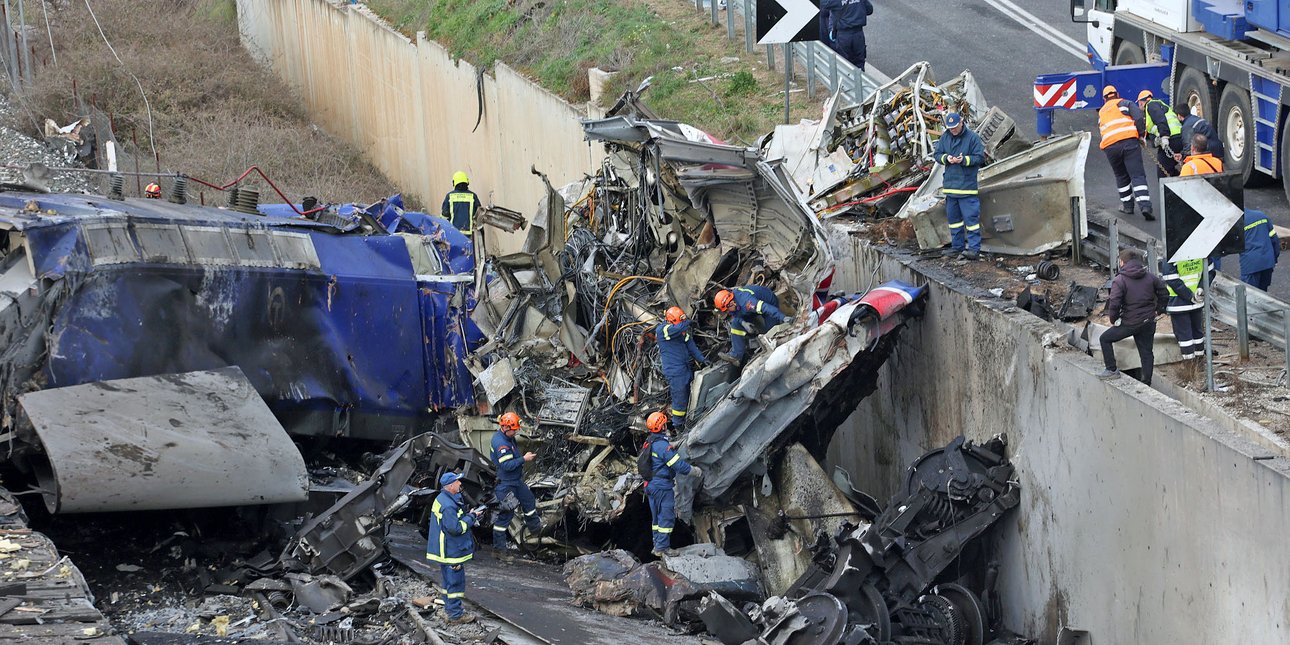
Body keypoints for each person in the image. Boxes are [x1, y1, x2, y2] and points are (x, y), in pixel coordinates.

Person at [1099, 249, 1168, 383]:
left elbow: (1114, 303)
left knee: (1105, 339)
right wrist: (1158, 311)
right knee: (1146, 352)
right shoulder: (1150, 277)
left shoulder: (1120, 280)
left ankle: (1111, 369)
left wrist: (1113, 319)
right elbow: (1164, 293)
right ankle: (1146, 382)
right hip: (1148, 321)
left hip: (1130, 322)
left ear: (1122, 262)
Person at [426, 471, 482, 625]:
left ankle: (450, 610)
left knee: (448, 582)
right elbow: (455, 528)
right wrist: (472, 517)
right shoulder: (448, 505)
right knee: (455, 583)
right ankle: (455, 615)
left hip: (447, 549)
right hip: (451, 551)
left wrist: (467, 513)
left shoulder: (444, 498)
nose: (460, 484)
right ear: (450, 486)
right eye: (457, 482)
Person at [643, 411, 700, 558]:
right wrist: (695, 471)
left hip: (650, 486)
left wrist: (671, 445)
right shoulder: (662, 446)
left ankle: (657, 545)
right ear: (661, 426)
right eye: (664, 424)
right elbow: (678, 466)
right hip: (662, 486)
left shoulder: (649, 442)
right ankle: (663, 548)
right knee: (666, 517)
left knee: (656, 518)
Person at [932, 112, 986, 260]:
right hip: (950, 187)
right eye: (950, 128)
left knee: (971, 221)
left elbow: (980, 157)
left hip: (967, 188)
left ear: (961, 122)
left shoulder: (972, 138)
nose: (953, 130)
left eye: (955, 127)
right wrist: (946, 158)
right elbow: (937, 154)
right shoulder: (946, 137)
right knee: (954, 221)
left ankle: (974, 250)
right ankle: (957, 247)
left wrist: (964, 160)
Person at [1099, 86, 1154, 221]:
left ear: (1104, 99)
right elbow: (1138, 119)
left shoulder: (1101, 112)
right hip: (1129, 142)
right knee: (1137, 175)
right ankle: (1145, 207)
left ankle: (1127, 206)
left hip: (1110, 147)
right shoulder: (1125, 103)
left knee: (1121, 176)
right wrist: (1141, 136)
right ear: (1117, 94)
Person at [490, 412, 541, 550]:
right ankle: (499, 550)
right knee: (506, 515)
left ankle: (536, 531)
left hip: (516, 481)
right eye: (514, 430)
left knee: (529, 500)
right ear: (506, 428)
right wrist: (524, 459)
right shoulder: (501, 443)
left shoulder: (507, 436)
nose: (516, 432)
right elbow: (506, 465)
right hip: (506, 484)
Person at [655, 306, 707, 431]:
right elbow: (681, 327)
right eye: (680, 321)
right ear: (671, 320)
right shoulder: (663, 330)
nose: (682, 324)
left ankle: (692, 419)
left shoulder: (680, 330)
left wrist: (703, 359)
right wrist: (688, 321)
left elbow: (691, 347)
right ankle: (678, 426)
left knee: (692, 395)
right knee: (680, 399)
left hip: (685, 368)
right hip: (675, 372)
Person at [713, 285, 787, 361]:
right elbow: (736, 315)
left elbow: (765, 308)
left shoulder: (747, 302)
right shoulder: (731, 303)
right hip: (751, 310)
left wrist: (783, 317)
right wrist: (743, 323)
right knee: (735, 325)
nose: (727, 313)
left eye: (727, 310)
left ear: (732, 303)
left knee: (771, 334)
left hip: (768, 303)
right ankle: (736, 356)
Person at [1159, 255, 1212, 359]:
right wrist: (1200, 288)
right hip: (1197, 301)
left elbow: (1171, 279)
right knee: (1198, 334)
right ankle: (1199, 362)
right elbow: (1210, 271)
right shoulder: (1200, 250)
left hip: (1179, 304)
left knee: (1184, 337)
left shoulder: (1173, 253)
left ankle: (1190, 368)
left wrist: (1190, 296)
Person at [1136, 90, 1183, 177]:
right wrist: (1156, 141)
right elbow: (1154, 129)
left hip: (1170, 139)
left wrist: (1164, 136)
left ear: (1141, 102)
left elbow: (1160, 119)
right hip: (1178, 138)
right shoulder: (1160, 105)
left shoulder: (1151, 105)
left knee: (1163, 173)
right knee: (1168, 169)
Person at [819, 0, 872, 70]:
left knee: (845, 64)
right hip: (858, 34)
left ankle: (847, 80)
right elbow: (869, 10)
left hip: (843, 35)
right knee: (859, 62)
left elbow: (822, 5)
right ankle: (859, 79)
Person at [1240, 208, 1280, 290]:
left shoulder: (1237, 222)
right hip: (1267, 262)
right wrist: (1274, 258)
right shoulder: (1261, 215)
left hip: (1250, 265)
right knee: (1263, 294)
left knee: (1250, 294)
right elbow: (1274, 239)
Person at [441, 171, 482, 237]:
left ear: (454, 183)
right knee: (468, 247)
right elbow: (479, 214)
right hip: (469, 233)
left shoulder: (450, 196)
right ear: (467, 182)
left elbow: (444, 216)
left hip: (453, 232)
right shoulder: (473, 196)